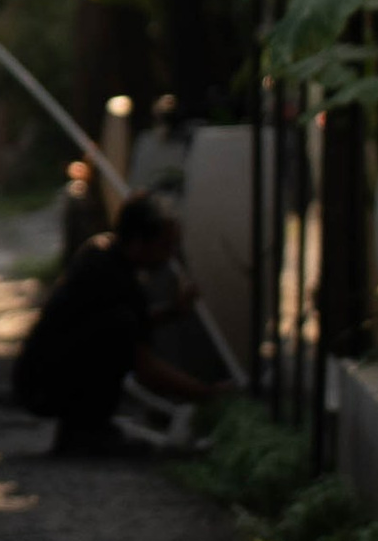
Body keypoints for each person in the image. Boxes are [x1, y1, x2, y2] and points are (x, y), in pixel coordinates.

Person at [12, 194, 222, 457]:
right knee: (116, 328)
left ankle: (85, 427)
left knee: (116, 327)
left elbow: (133, 325)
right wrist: (207, 394)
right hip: (44, 386)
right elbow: (142, 363)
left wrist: (173, 312)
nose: (170, 257)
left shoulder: (102, 253)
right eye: (165, 246)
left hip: (37, 378)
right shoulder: (113, 278)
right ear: (137, 242)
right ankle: (85, 429)